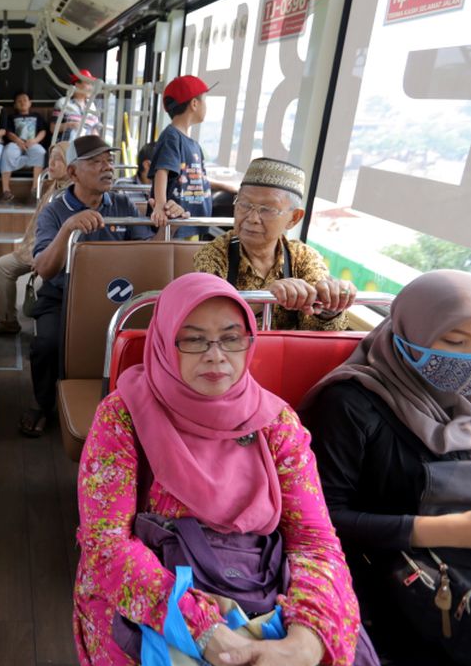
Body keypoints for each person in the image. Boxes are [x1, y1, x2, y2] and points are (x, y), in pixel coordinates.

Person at [74, 274, 367, 666]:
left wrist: (304, 643)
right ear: (163, 342)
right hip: (152, 593)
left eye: (231, 338)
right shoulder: (123, 415)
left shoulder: (276, 422)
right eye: (193, 340)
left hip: (264, 585)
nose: (216, 355)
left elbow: (315, 542)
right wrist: (209, 635)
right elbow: (107, 545)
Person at [300, 270, 471, 666]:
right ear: (410, 333)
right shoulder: (350, 404)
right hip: (389, 584)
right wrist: (451, 531)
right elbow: (322, 518)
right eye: (454, 342)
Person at [25, 135, 172, 437]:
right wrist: (68, 228)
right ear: (74, 173)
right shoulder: (54, 211)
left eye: (109, 160)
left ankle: (128, 405)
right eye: (96, 162)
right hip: (63, 294)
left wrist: (164, 226)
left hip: (114, 296)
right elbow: (43, 268)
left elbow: (144, 255)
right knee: (47, 344)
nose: (107, 168)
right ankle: (43, 404)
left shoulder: (121, 203)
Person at [193, 157, 357, 330]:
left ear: (294, 218)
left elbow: (313, 328)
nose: (252, 218)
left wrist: (329, 306)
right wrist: (265, 298)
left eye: (267, 209)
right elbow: (209, 321)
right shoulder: (213, 254)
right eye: (244, 205)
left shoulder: (304, 258)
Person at [0, 144, 69, 336]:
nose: (51, 165)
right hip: (36, 247)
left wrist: (40, 256)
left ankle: (12, 322)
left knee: (4, 267)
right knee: (3, 266)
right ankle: (7, 320)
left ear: (71, 165)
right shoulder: (55, 186)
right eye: (50, 159)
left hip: (52, 253)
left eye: (58, 159)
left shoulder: (69, 193)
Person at [148, 75, 238, 238]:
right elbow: (162, 171)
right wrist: (160, 205)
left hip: (192, 221)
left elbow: (195, 178)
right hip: (176, 223)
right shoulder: (172, 137)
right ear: (194, 104)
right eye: (205, 100)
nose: (206, 106)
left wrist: (224, 186)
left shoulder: (192, 144)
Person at [1, 90, 49, 202]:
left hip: (32, 143)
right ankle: (6, 190)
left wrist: (34, 140)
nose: (22, 102)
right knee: (7, 152)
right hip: (16, 143)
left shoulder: (37, 116)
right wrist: (18, 140)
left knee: (41, 152)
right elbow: (8, 132)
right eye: (19, 101)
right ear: (15, 105)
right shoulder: (11, 117)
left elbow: (43, 131)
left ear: (30, 103)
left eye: (25, 100)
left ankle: (35, 188)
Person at [53, 69, 101, 142]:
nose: (91, 87)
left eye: (92, 84)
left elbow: (95, 128)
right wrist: (71, 125)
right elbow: (53, 128)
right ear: (77, 84)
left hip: (87, 144)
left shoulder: (91, 105)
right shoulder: (63, 102)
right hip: (67, 144)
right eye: (88, 83)